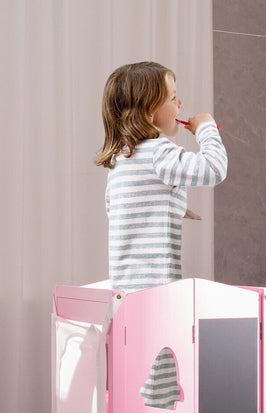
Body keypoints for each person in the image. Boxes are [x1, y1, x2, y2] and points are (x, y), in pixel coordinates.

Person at [96, 61, 227, 293]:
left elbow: (122, 210)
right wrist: (206, 129)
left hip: (123, 287)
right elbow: (214, 169)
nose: (180, 103)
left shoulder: (120, 159)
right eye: (172, 98)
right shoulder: (158, 153)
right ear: (149, 112)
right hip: (156, 287)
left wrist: (173, 205)